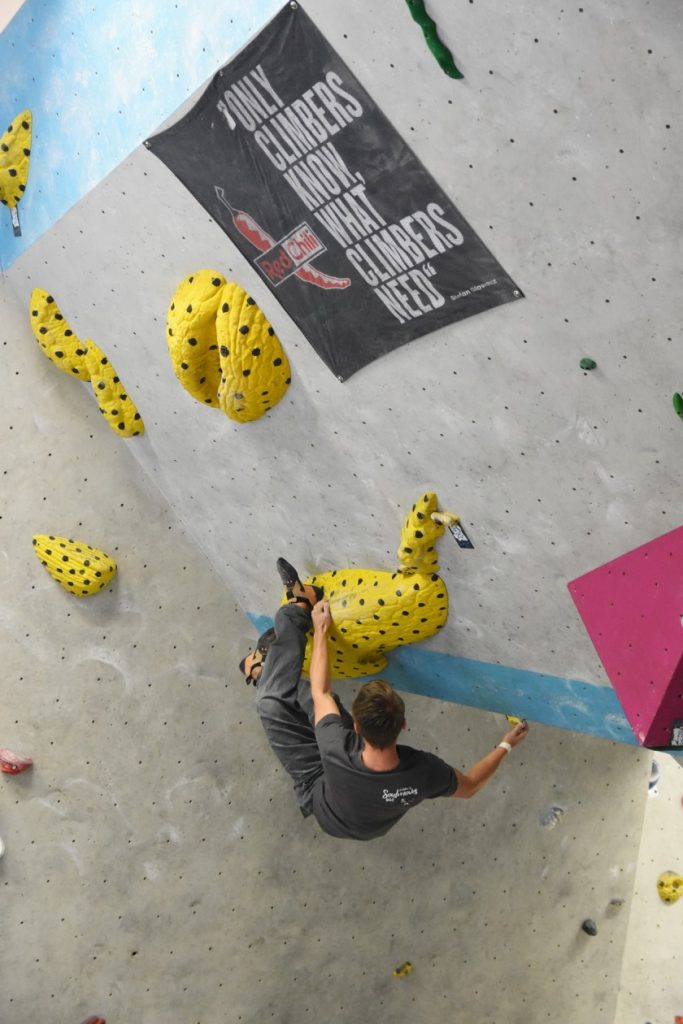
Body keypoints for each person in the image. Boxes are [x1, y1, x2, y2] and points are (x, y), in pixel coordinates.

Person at [241, 558, 529, 841]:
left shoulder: (337, 745)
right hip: (364, 821)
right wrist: (507, 743)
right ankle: (271, 668)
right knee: (296, 698)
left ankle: (295, 613)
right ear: (402, 724)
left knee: (271, 701)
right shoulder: (421, 773)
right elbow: (469, 786)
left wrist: (320, 628)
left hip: (320, 794)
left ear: (353, 726)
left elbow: (322, 690)